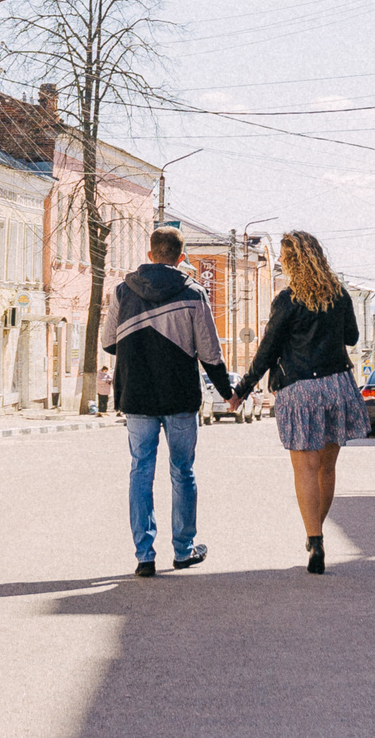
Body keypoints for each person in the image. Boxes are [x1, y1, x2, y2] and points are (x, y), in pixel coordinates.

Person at [100, 228, 235, 577]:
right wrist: (227, 392)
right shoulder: (194, 292)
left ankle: (144, 556)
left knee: (140, 471)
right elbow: (209, 352)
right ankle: (183, 550)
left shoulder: (122, 291)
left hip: (137, 395)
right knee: (182, 472)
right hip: (179, 395)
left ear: (150, 252)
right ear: (180, 255)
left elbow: (108, 342)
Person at [232, 230, 364, 575]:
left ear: (290, 261)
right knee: (328, 468)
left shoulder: (287, 299)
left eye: (282, 258)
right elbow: (352, 337)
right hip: (337, 385)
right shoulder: (338, 295)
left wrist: (242, 389)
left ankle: (315, 538)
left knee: (304, 468)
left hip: (300, 389)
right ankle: (315, 532)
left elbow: (268, 349)